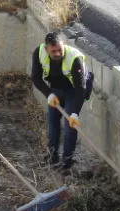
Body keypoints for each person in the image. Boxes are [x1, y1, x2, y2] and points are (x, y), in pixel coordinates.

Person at [31, 31, 87, 173]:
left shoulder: (75, 58)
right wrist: (48, 94)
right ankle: (52, 156)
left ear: (64, 45)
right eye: (53, 51)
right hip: (55, 89)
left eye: (59, 50)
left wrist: (75, 112)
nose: (56, 53)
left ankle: (67, 163)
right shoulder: (39, 52)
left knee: (70, 126)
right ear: (46, 49)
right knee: (52, 122)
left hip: (73, 91)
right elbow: (36, 78)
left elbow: (81, 88)